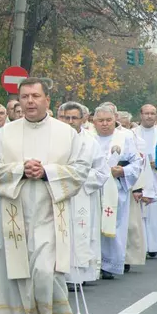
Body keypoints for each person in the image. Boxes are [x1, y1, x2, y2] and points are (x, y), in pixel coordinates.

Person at [0, 78, 89, 314]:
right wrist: (20, 169)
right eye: (25, 96)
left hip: (50, 219)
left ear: (47, 100)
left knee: (46, 275)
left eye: (35, 96)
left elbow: (80, 170)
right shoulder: (5, 134)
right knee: (17, 279)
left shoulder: (66, 134)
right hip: (14, 219)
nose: (30, 101)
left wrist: (47, 172)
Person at [59, 103, 105, 295]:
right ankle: (61, 274)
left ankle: (79, 275)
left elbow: (102, 171)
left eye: (74, 118)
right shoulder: (55, 139)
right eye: (66, 118)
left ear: (83, 119)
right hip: (59, 192)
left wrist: (79, 176)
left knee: (82, 232)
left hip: (83, 194)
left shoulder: (91, 142)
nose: (70, 122)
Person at [95, 103, 143, 279]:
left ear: (115, 120)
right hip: (93, 189)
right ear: (94, 121)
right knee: (92, 226)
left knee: (113, 225)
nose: (105, 124)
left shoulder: (125, 138)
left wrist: (123, 171)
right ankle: (94, 263)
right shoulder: (88, 137)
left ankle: (110, 264)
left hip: (115, 189)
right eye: (101, 120)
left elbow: (137, 162)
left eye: (108, 120)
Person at [130, 105, 157, 259]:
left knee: (156, 213)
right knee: (140, 213)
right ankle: (142, 245)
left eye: (152, 114)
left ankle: (155, 245)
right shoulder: (132, 134)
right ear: (141, 114)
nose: (149, 116)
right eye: (146, 113)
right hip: (139, 177)